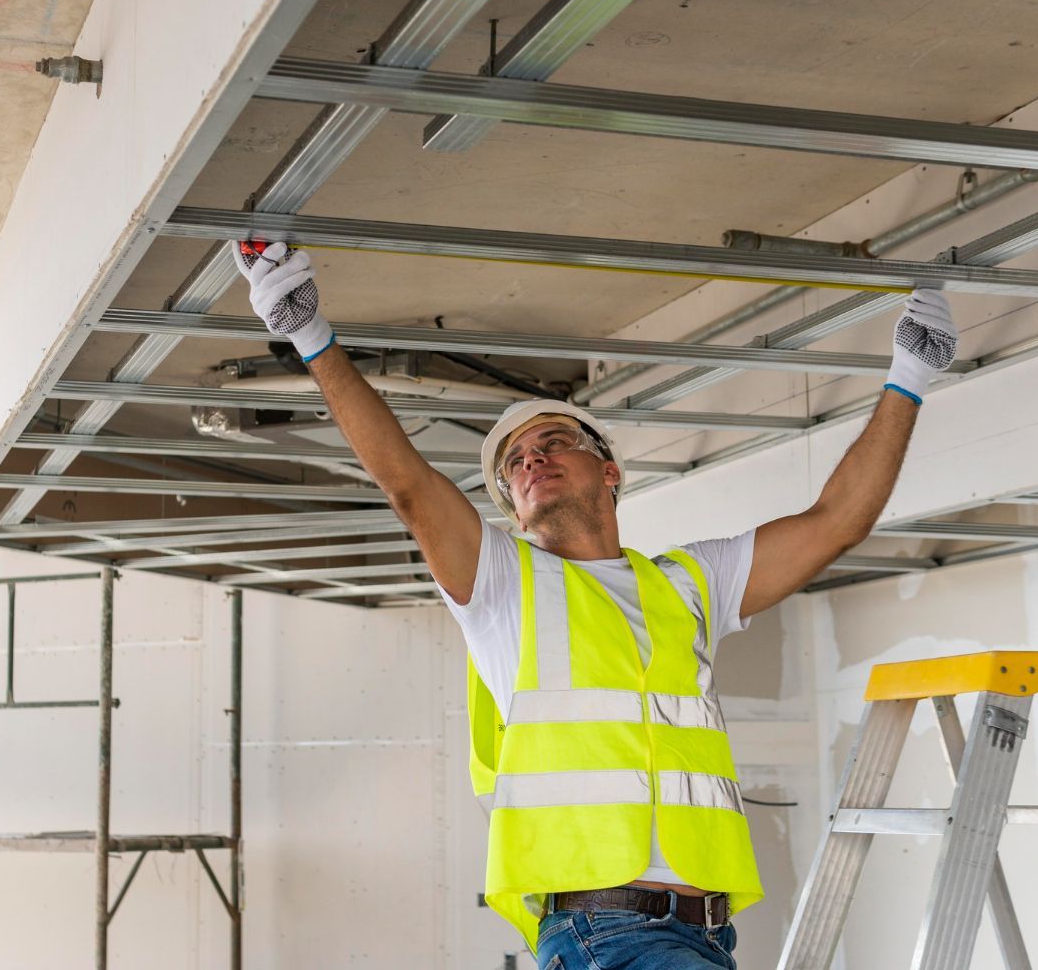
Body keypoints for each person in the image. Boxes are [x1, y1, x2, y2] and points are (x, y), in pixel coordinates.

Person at [230, 242, 958, 969]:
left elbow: (836, 522)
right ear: (512, 511)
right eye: (514, 465)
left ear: (608, 471)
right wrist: (311, 338)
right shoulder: (502, 588)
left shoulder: (688, 585)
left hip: (702, 933)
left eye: (552, 442)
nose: (530, 461)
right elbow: (411, 488)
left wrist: (910, 375)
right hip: (608, 934)